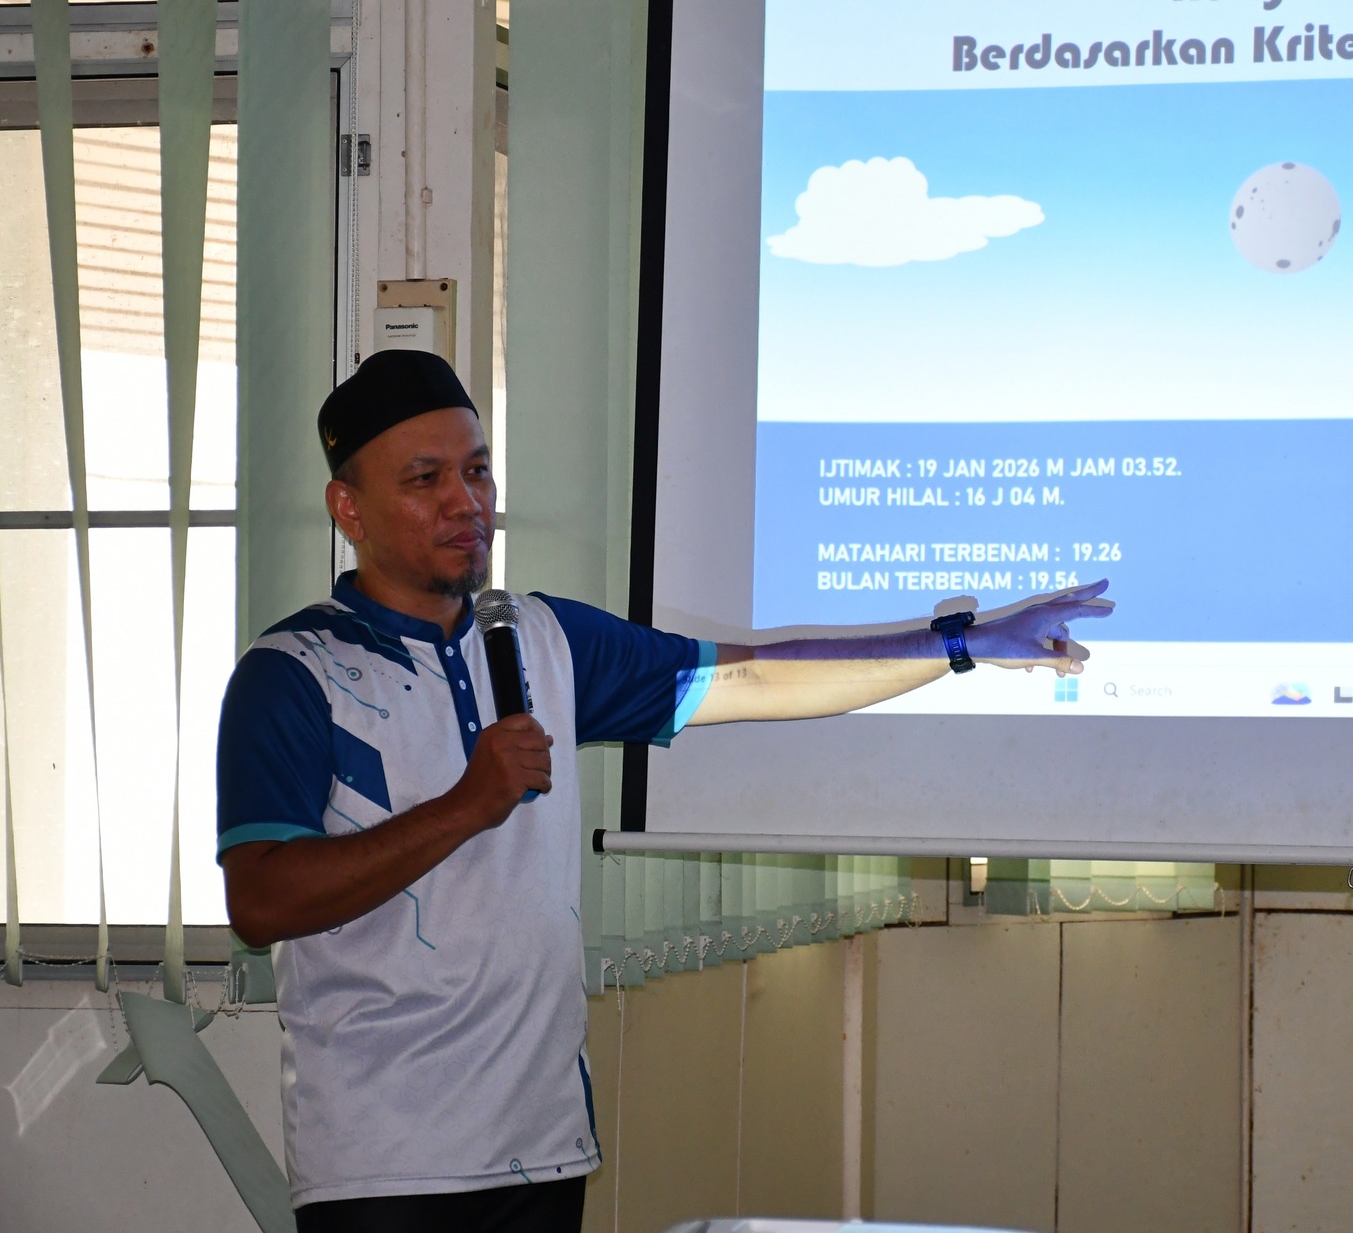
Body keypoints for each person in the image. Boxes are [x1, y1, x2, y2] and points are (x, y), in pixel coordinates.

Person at [215, 350, 1111, 1232]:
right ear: (349, 507)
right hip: (383, 1161)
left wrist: (959, 644)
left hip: (539, 1142)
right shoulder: (295, 672)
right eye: (425, 478)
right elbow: (260, 898)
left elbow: (758, 679)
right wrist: (464, 804)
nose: (467, 501)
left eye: (477, 470)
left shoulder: (543, 637)